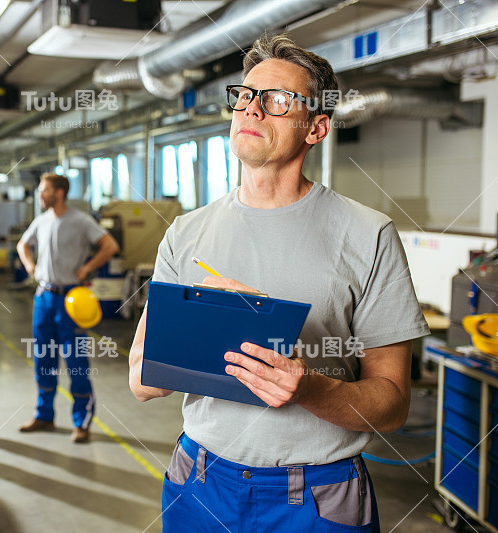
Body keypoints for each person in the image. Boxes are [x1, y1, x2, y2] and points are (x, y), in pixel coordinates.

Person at [129, 34, 429, 532]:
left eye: (277, 100)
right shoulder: (186, 233)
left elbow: (393, 404)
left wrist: (308, 389)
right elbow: (142, 383)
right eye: (246, 95)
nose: (252, 109)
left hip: (316, 497)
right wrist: (202, 324)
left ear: (317, 127)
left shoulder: (368, 234)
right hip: (198, 483)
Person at [17, 173, 120, 443]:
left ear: (59, 193)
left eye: (45, 190)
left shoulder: (81, 221)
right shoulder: (41, 221)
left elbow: (110, 246)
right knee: (43, 359)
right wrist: (31, 267)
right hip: (44, 297)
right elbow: (22, 245)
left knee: (76, 362)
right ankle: (44, 415)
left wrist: (87, 267)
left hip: (71, 300)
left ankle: (82, 421)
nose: (41, 195)